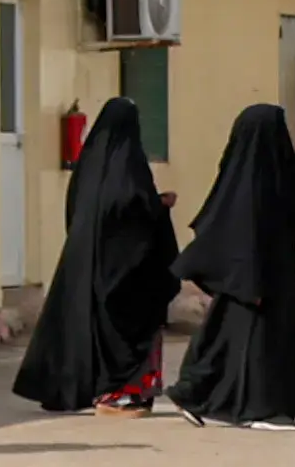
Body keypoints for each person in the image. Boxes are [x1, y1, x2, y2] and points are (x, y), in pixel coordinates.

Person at [11, 94, 182, 414]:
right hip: (128, 271)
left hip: (88, 264)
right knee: (132, 327)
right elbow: (131, 211)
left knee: (89, 326)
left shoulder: (88, 169)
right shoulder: (130, 167)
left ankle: (93, 390)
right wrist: (159, 207)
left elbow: (90, 212)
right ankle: (121, 393)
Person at [168, 103, 295, 424]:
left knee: (224, 336)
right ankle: (260, 408)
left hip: (262, 274)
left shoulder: (265, 171)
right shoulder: (253, 183)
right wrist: (251, 284)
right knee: (259, 341)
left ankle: (191, 393)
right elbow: (245, 238)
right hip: (255, 276)